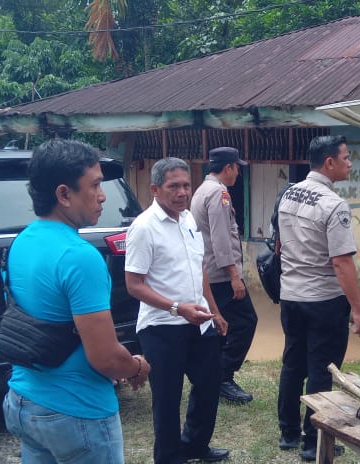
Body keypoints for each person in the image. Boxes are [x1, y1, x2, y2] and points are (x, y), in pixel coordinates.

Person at [2, 139, 150, 464]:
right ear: (64, 194)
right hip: (77, 413)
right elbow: (106, 358)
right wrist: (137, 367)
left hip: (24, 401)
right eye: (95, 185)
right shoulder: (79, 257)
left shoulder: (21, 242)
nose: (102, 195)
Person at [125, 157, 231, 464]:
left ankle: (195, 445)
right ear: (156, 188)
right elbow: (134, 284)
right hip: (161, 326)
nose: (183, 192)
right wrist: (176, 308)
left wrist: (215, 310)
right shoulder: (144, 227)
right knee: (167, 399)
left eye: (186, 185)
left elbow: (198, 268)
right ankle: (170, 457)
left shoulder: (188, 220)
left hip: (199, 321)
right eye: (174, 186)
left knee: (210, 385)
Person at [275, 135, 360, 461]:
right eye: (346, 157)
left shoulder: (288, 194)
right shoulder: (334, 205)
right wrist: (358, 309)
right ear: (329, 163)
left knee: (292, 363)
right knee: (321, 369)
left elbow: (279, 242)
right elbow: (341, 262)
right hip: (323, 301)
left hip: (291, 296)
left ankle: (287, 432)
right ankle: (311, 439)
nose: (350, 163)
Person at [191, 146, 259, 404]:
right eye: (237, 168)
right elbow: (221, 239)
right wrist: (234, 276)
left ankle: (213, 376)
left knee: (221, 327)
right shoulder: (219, 192)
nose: (238, 174)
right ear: (228, 167)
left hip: (208, 272)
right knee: (246, 322)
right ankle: (223, 377)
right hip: (220, 275)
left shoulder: (202, 189)